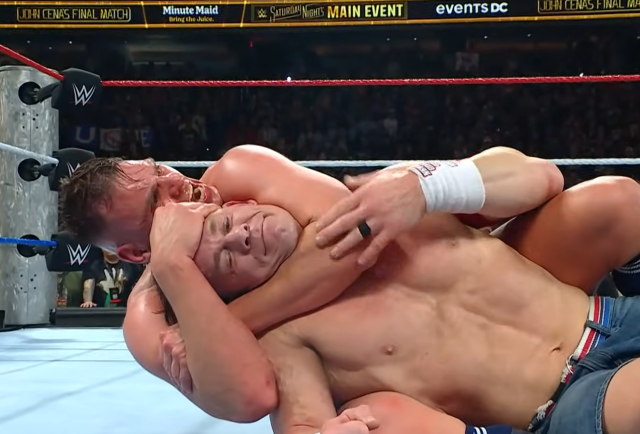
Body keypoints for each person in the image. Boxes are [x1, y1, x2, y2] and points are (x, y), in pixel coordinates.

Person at [60, 145, 562, 422]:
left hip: (474, 291)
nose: (179, 185)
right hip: (392, 388)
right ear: (134, 253)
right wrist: (174, 267)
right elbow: (249, 396)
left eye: (159, 170)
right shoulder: (149, 319)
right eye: (157, 202)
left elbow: (357, 238)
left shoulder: (236, 173)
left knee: (597, 206)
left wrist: (227, 323)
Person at [154, 173, 640, 434]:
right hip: (570, 400)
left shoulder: (382, 197)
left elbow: (536, 174)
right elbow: (304, 423)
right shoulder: (284, 340)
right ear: (227, 293)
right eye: (227, 261)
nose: (239, 237)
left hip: (615, 316)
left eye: (224, 226)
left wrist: (428, 186)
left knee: (620, 197)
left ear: (237, 204)